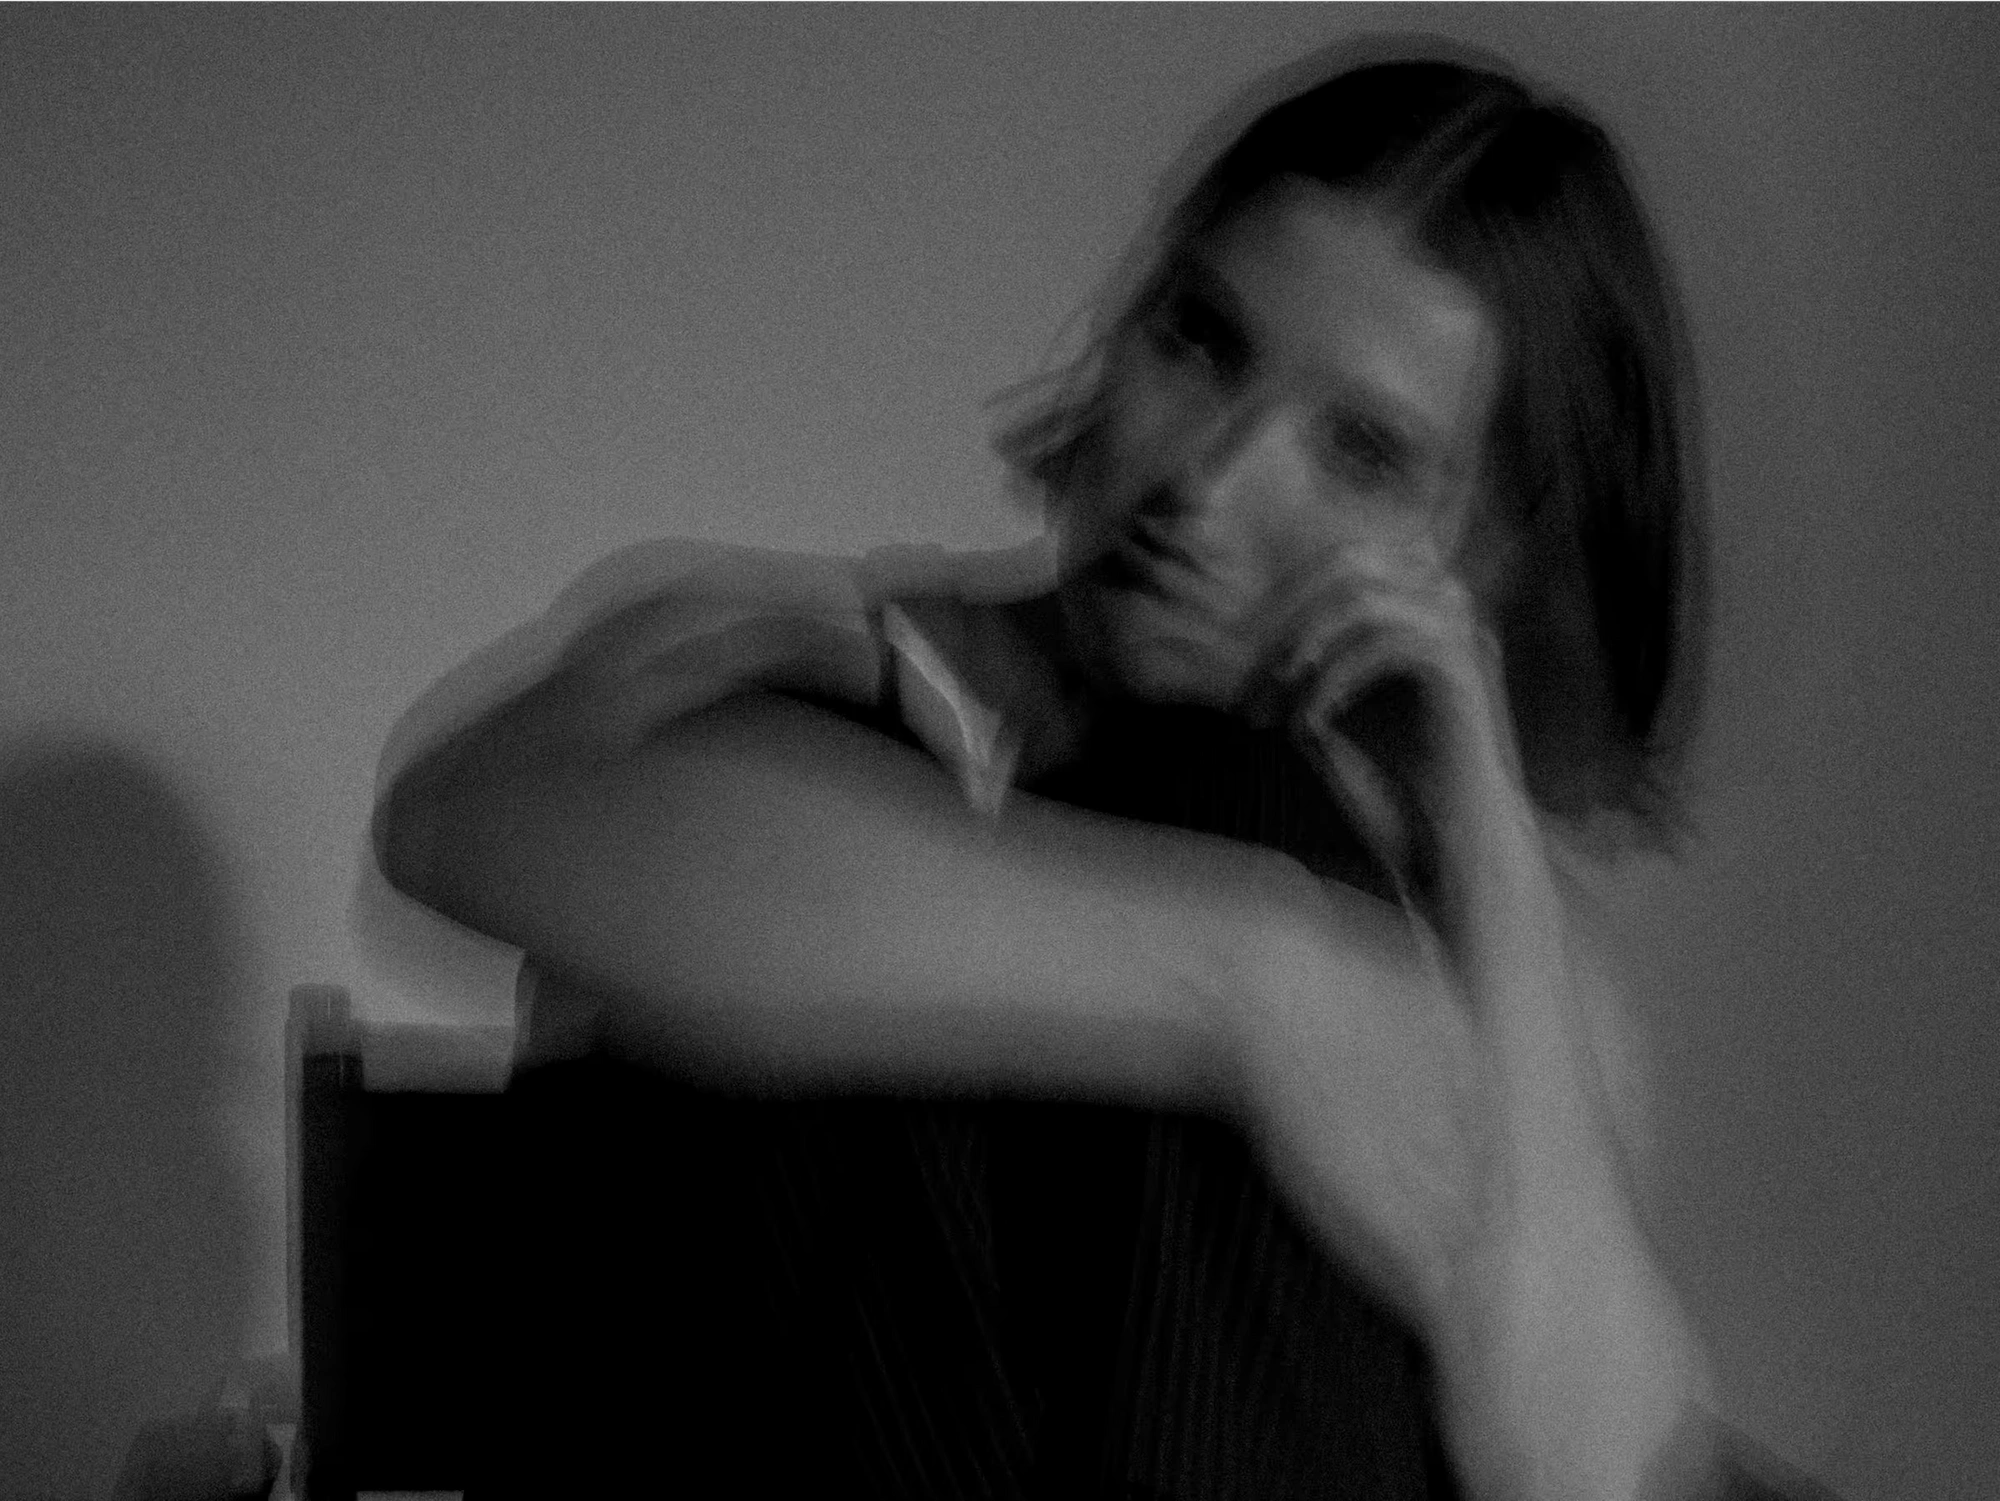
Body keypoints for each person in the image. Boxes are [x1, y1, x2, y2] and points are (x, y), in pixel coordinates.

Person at [374, 43, 1836, 1501]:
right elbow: (462, 819)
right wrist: (1254, 989)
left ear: (1492, 552)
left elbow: (1587, 1476)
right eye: (1200, 341)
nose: (1207, 482)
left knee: (1243, 794)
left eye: (1362, 451)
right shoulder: (785, 663)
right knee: (844, 757)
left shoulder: (1484, 941)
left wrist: (1479, 807)